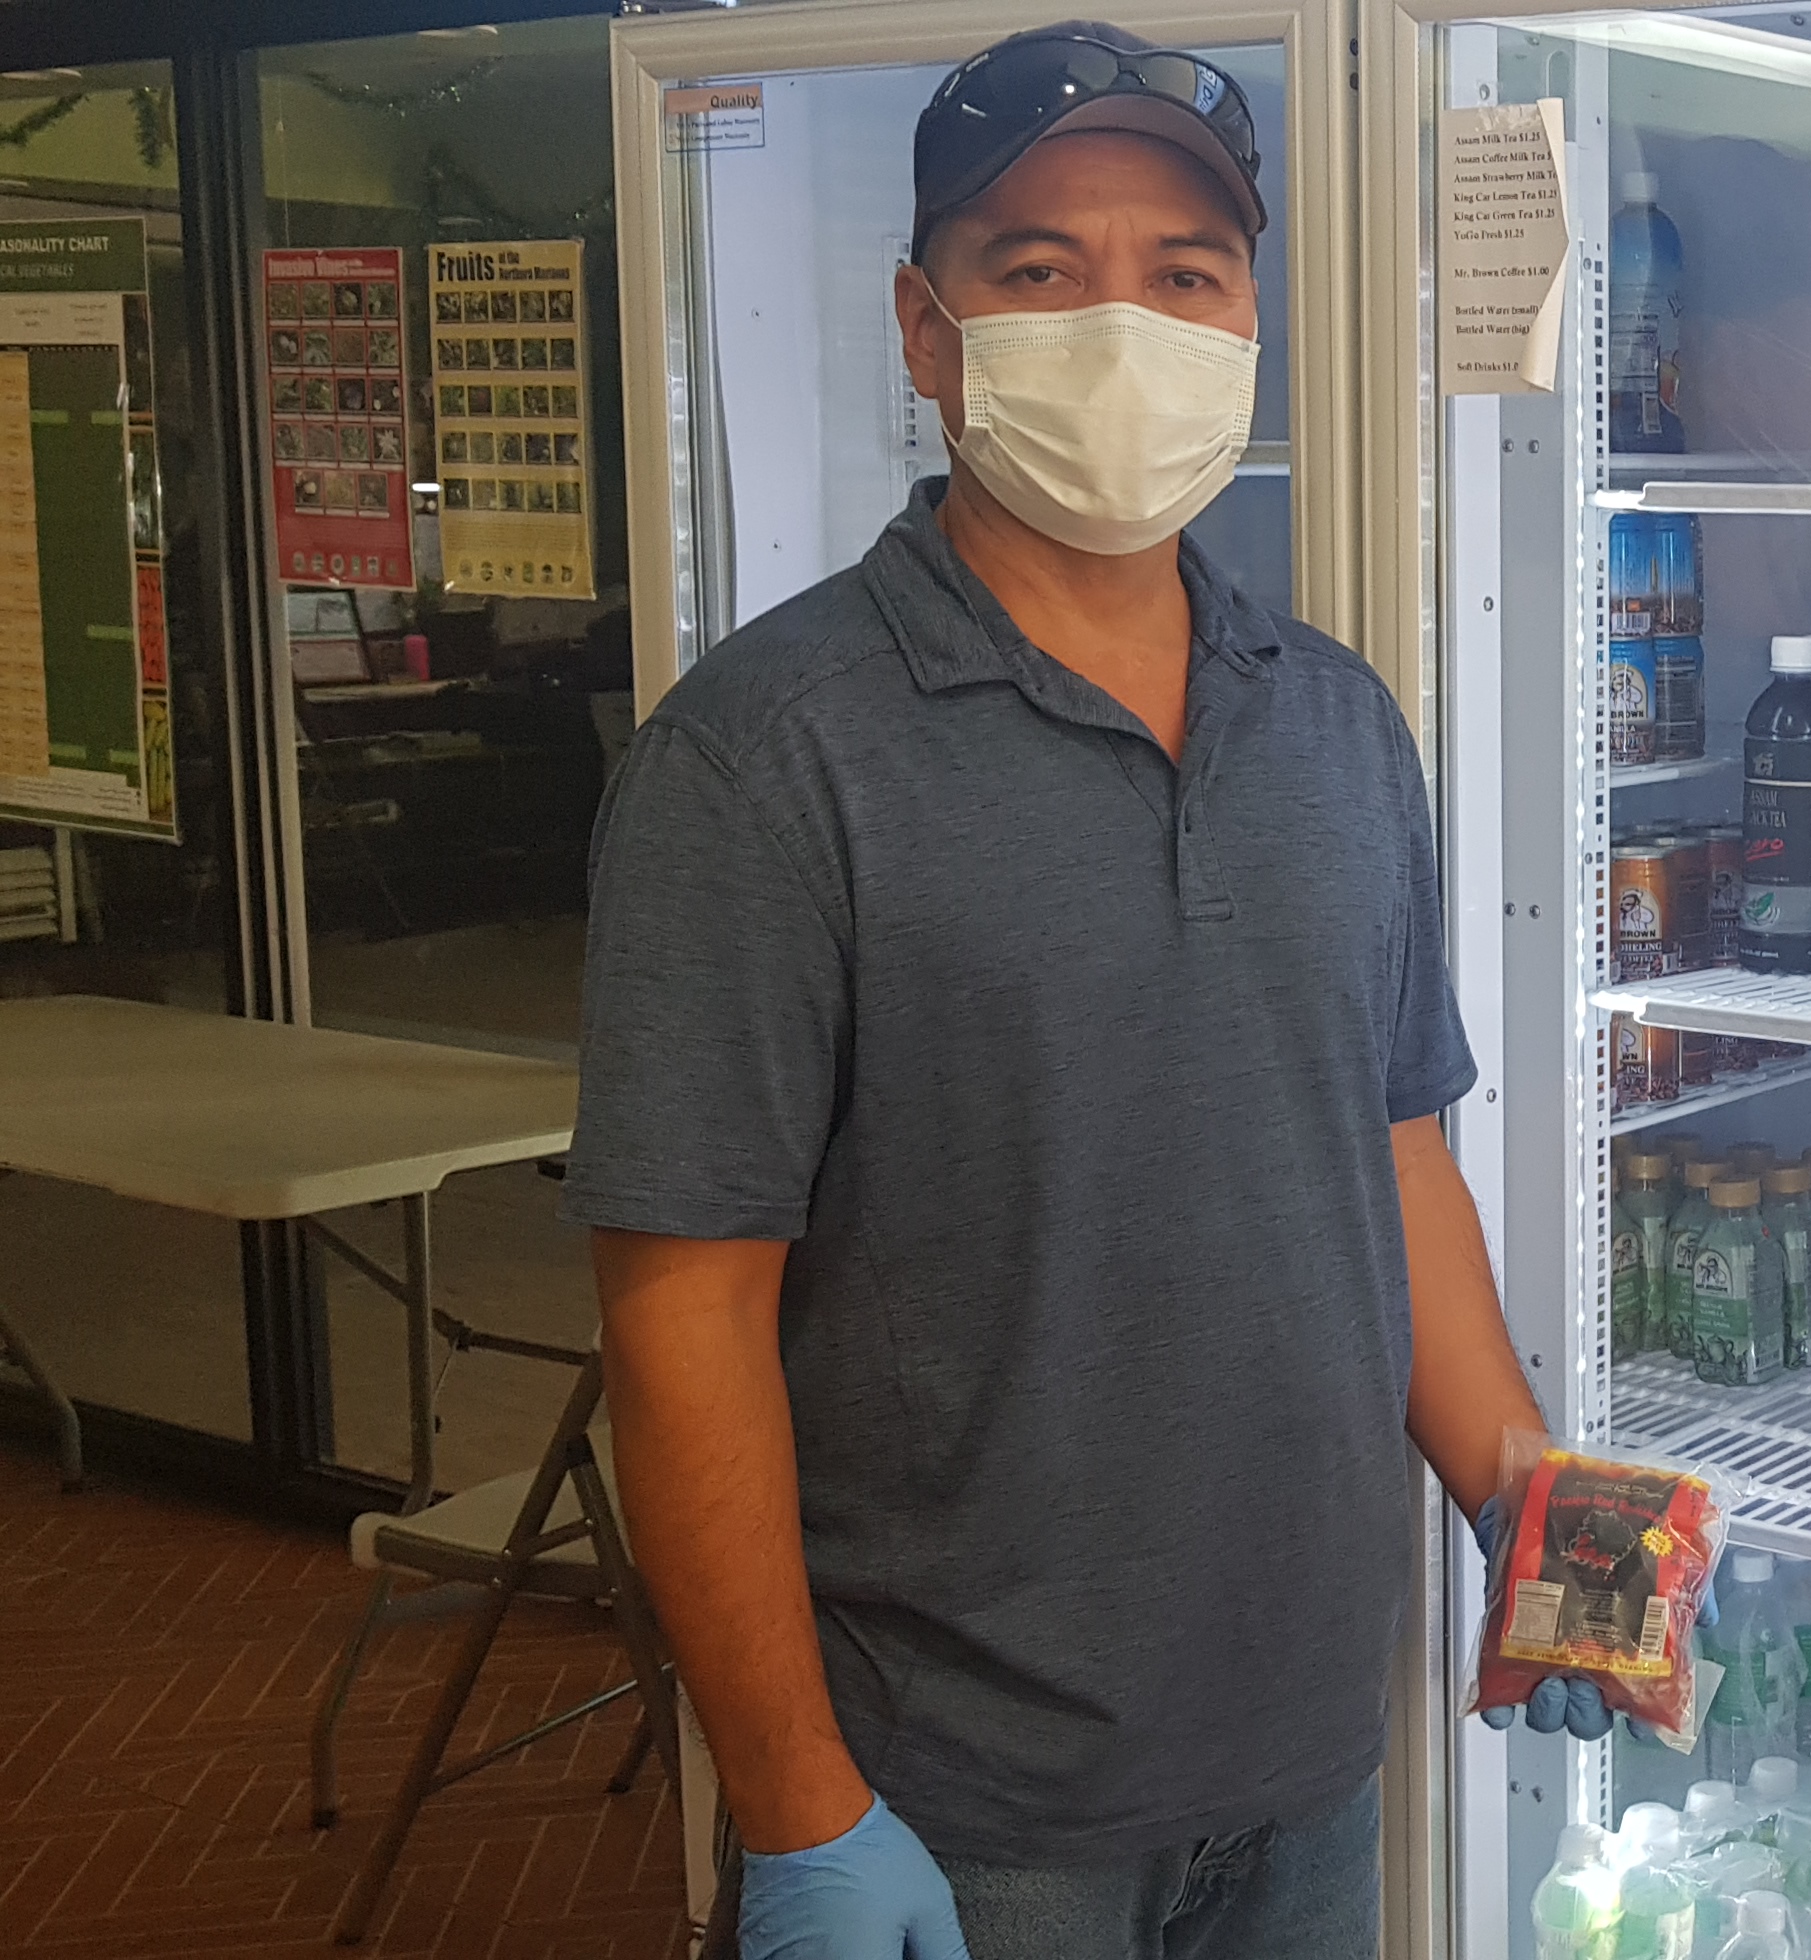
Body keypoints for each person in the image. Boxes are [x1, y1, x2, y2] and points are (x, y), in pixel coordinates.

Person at [569, 25, 1587, 1959]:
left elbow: (1390, 1159)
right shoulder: (766, 764)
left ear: (1251, 320)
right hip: (958, 1816)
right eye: (1040, 272)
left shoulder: (1343, 730)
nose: (1126, 328)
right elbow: (682, 1320)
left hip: (1308, 1759)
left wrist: (1523, 1490)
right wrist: (799, 1808)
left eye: (1187, 276)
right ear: (925, 328)